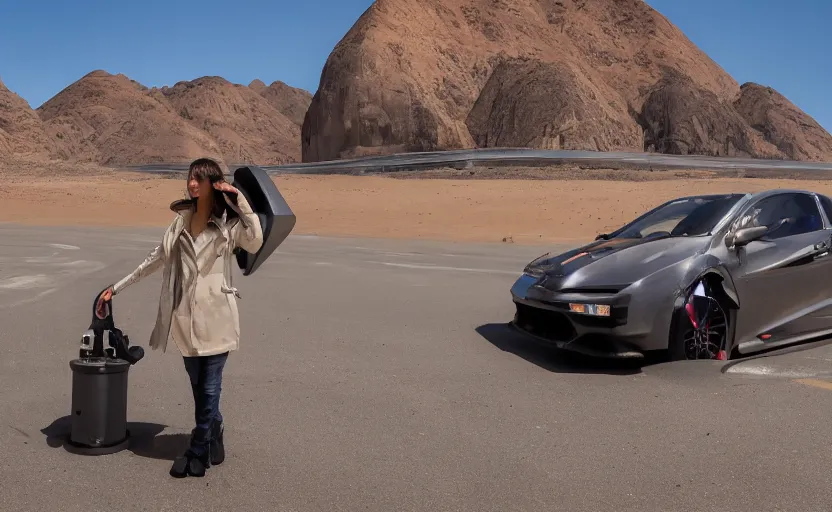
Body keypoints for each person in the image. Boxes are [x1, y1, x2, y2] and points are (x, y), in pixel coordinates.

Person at [96, 157, 263, 478]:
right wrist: (114, 289)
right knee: (199, 386)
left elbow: (254, 238)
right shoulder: (178, 225)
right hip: (186, 320)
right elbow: (152, 261)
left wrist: (239, 200)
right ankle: (215, 431)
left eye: (200, 178)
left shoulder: (229, 226)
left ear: (213, 185)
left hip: (217, 318)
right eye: (191, 177)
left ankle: (198, 450)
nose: (192, 183)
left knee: (211, 387)